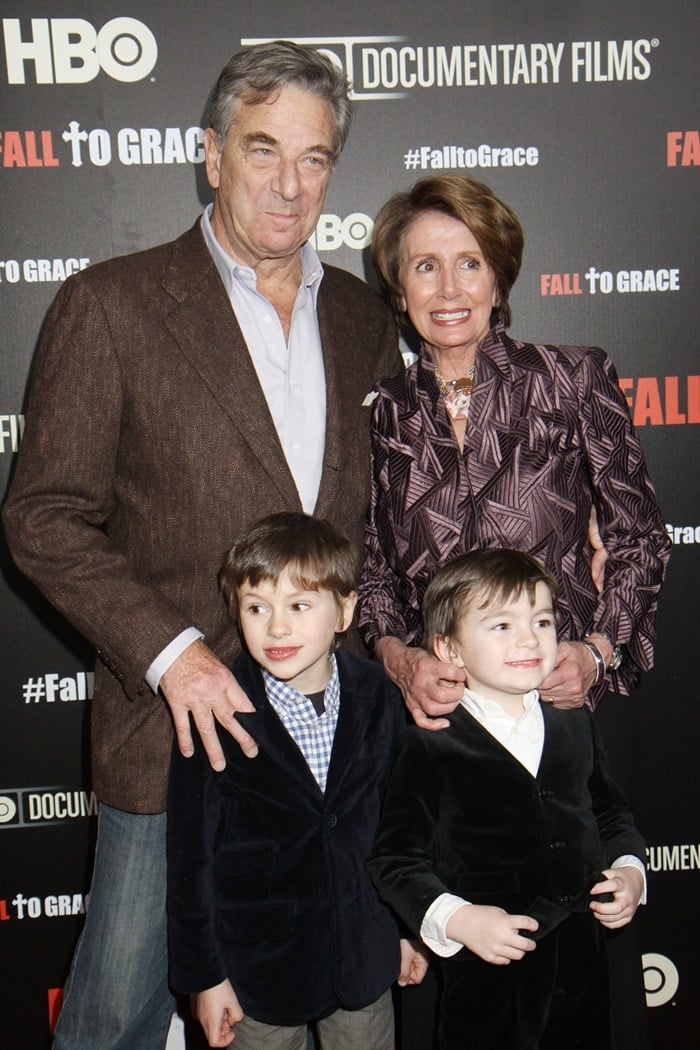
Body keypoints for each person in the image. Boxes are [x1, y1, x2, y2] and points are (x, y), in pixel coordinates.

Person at [2, 41, 401, 1049]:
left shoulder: (363, 318)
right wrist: (171, 654)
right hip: (178, 733)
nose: (288, 182)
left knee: (330, 1003)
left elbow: (376, 530)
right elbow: (43, 513)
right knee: (117, 1018)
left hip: (323, 745)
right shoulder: (111, 303)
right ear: (211, 155)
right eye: (262, 149)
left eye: (313, 158)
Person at [358, 173, 670, 722]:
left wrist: (597, 653)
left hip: (562, 708)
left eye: (470, 263)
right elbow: (378, 571)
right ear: (401, 293)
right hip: (443, 723)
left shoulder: (571, 380)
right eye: (426, 266)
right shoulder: (388, 409)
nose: (449, 289)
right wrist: (398, 659)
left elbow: (640, 540)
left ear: (498, 285)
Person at [369, 548, 647, 1050]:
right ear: (449, 650)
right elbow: (395, 861)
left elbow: (610, 815)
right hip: (489, 981)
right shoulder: (430, 740)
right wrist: (459, 918)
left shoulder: (573, 717)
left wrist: (629, 869)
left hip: (583, 972)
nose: (529, 638)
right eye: (501, 625)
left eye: (542, 620)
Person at [168, 511, 427, 1049]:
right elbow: (191, 855)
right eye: (257, 607)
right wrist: (206, 977)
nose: (277, 628)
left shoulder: (379, 695)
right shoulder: (218, 706)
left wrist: (404, 929)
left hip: (363, 960)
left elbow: (400, 830)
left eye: (299, 606)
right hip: (259, 974)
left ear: (345, 610)